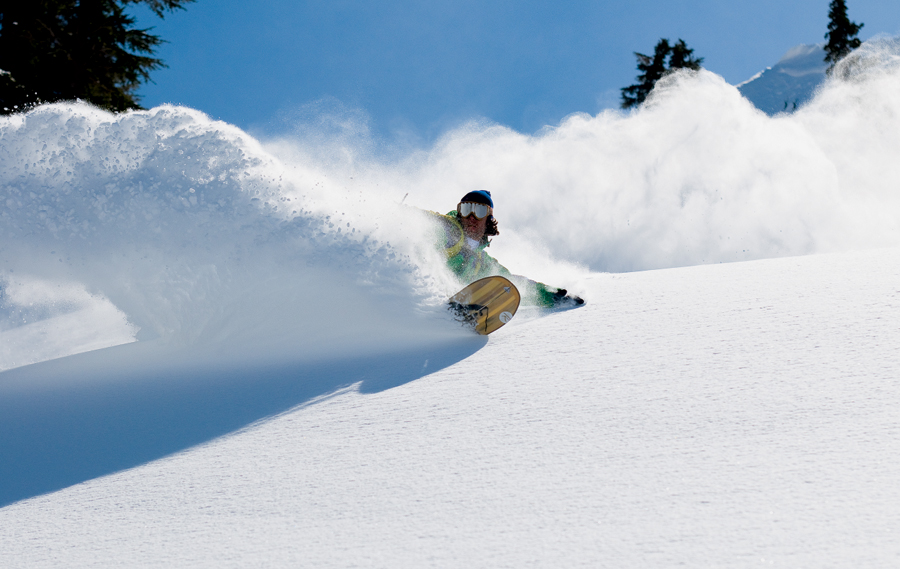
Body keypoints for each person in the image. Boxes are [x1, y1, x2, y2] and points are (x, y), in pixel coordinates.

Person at [426, 190, 584, 308]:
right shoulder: (448, 229)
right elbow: (422, 221)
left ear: (488, 220)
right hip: (423, 294)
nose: (472, 216)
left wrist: (548, 295)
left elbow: (511, 284)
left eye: (479, 211)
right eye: (466, 209)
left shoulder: (481, 263)